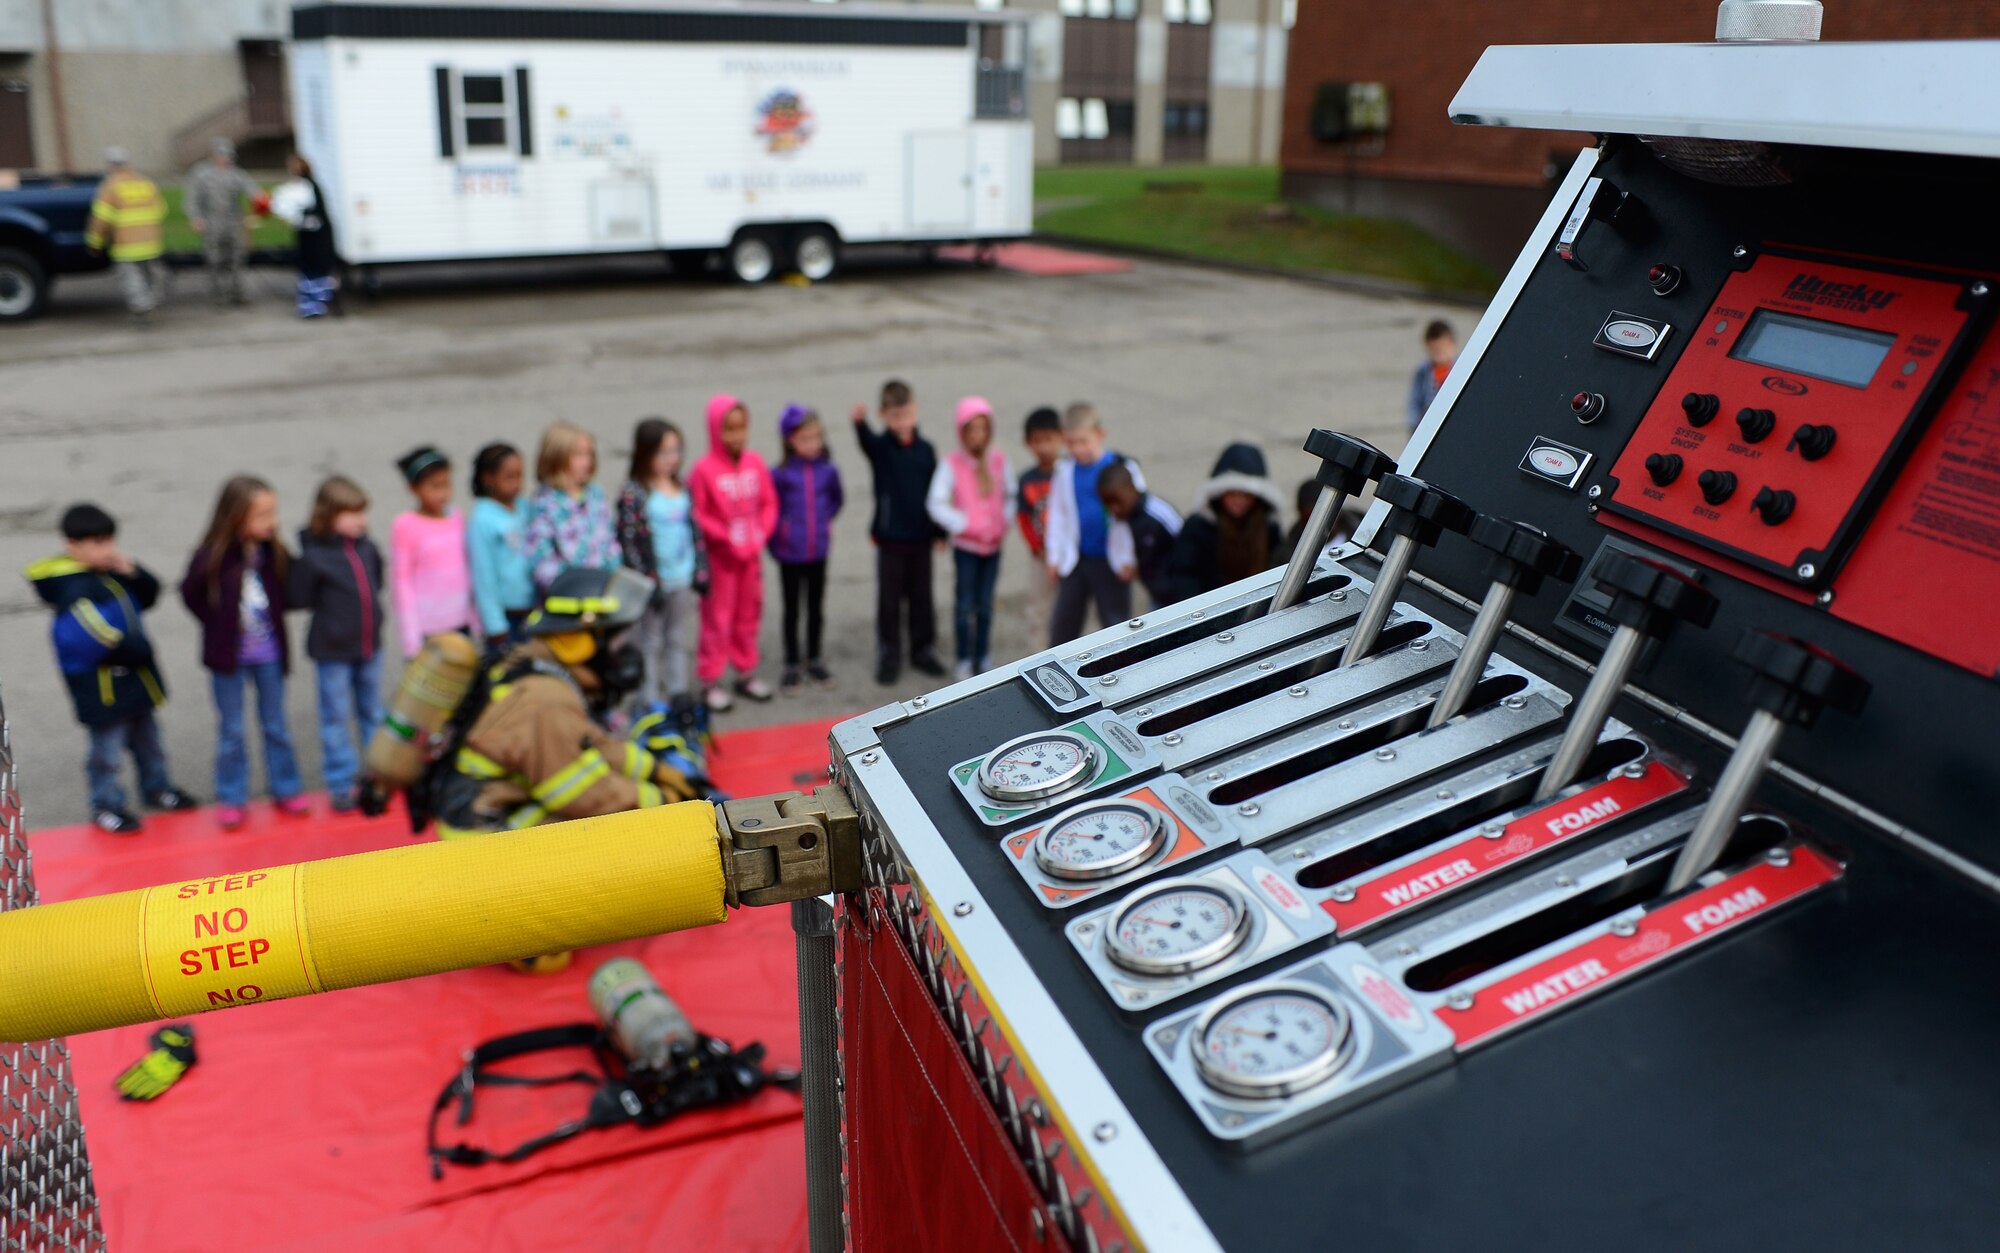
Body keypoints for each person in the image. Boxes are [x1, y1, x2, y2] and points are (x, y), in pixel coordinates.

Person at [427, 566, 702, 838]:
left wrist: (656, 770)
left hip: (485, 802)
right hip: (483, 837)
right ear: (579, 641)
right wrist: (663, 800)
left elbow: (588, 741)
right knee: (616, 836)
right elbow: (585, 794)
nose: (623, 653)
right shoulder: (546, 699)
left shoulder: (528, 664)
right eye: (616, 639)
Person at [25, 504, 196, 834]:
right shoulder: (73, 589)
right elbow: (89, 637)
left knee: (150, 743)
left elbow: (148, 595)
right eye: (97, 543)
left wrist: (132, 570)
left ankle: (157, 787)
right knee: (107, 753)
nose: (108, 550)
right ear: (73, 546)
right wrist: (137, 651)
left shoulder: (110, 575)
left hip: (135, 681)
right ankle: (105, 805)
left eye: (109, 541)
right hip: (102, 688)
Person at [182, 475, 306, 830]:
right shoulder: (213, 557)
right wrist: (217, 624)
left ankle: (286, 786)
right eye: (263, 515)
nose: (273, 522)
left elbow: (292, 591)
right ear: (236, 517)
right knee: (232, 731)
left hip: (268, 655)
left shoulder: (272, 553)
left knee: (276, 725)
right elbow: (191, 594)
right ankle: (232, 796)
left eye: (273, 512)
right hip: (229, 661)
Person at [287, 476, 385, 813]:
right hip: (333, 653)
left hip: (370, 647)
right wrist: (301, 560)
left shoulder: (368, 548)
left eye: (363, 512)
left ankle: (379, 776)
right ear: (329, 516)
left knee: (373, 712)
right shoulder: (315, 558)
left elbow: (378, 581)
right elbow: (298, 597)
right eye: (352, 513)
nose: (362, 520)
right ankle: (342, 782)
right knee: (336, 717)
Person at [851, 379, 945, 685]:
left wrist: (940, 532)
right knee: (889, 602)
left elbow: (937, 495)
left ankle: (923, 651)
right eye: (894, 417)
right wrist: (859, 424)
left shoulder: (927, 450)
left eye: (906, 415)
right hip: (891, 539)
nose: (902, 422)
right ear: (884, 415)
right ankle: (889, 655)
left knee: (922, 599)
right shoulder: (881, 448)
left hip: (921, 539)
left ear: (915, 411)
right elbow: (866, 443)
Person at [689, 394, 778, 710]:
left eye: (741, 429)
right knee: (717, 619)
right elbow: (698, 513)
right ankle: (710, 679)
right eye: (729, 429)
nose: (737, 436)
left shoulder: (755, 463)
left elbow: (769, 503)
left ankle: (745, 671)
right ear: (714, 430)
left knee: (748, 614)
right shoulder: (703, 470)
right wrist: (725, 537)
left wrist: (761, 534)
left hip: (750, 559)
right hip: (721, 562)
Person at [616, 417, 706, 707]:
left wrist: (701, 568)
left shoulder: (681, 488)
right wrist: (645, 581)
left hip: (681, 578)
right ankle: (649, 698)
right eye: (663, 452)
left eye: (676, 450)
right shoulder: (635, 494)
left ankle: (678, 691)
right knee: (648, 642)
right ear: (645, 454)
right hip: (654, 584)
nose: (672, 459)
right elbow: (629, 543)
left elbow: (694, 531)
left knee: (677, 637)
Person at [1044, 403, 1146, 646]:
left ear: (1101, 434)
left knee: (1115, 624)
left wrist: (1132, 558)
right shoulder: (1065, 471)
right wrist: (1054, 556)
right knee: (1063, 623)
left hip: (1112, 563)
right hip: (1077, 560)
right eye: (1070, 443)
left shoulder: (1124, 468)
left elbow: (1138, 515)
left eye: (1083, 441)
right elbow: (1057, 513)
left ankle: (1120, 669)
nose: (1077, 449)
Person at [927, 396, 1014, 679]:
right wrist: (963, 523)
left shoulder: (999, 460)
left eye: (983, 428)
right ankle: (963, 657)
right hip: (966, 548)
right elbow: (935, 502)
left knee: (986, 604)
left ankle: (983, 654)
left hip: (993, 547)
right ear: (961, 431)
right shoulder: (952, 464)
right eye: (971, 429)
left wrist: (1004, 521)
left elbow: (1011, 495)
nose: (977, 435)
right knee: (965, 603)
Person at [768, 405, 843, 694]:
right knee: (791, 609)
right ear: (790, 440)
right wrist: (778, 541)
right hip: (790, 553)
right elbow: (771, 511)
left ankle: (814, 658)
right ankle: (791, 663)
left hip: (818, 552)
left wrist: (823, 524)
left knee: (815, 607)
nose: (813, 444)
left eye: (816, 437)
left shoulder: (828, 470)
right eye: (805, 438)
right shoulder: (781, 474)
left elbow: (837, 500)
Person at [1166, 443, 1289, 603]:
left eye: (1246, 494)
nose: (1239, 501)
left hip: (1256, 606)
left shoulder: (1268, 527)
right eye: (1232, 493)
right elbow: (1183, 573)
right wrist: (1196, 610)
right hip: (1209, 608)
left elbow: (1278, 568)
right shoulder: (1198, 525)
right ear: (1219, 493)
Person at [390, 446, 472, 659]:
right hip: (428, 631)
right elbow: (402, 584)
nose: (444, 493)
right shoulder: (405, 526)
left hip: (461, 624)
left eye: (447, 485)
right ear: (413, 488)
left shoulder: (456, 518)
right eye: (435, 486)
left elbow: (468, 570)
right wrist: (411, 642)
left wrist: (476, 619)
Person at [524, 420, 621, 594]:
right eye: (579, 455)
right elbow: (540, 553)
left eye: (590, 454)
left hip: (602, 587)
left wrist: (613, 571)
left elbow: (609, 540)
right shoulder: (545, 501)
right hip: (565, 595)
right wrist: (564, 583)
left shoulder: (595, 494)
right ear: (556, 457)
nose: (587, 462)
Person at [84, 147, 167, 324]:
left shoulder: (110, 187)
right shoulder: (146, 183)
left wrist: (95, 243)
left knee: (133, 279)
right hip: (150, 243)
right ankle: (151, 301)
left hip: (126, 245)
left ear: (110, 166)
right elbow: (161, 211)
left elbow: (101, 220)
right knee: (149, 277)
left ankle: (142, 310)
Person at [467, 442, 536, 644]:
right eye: (509, 477)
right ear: (487, 478)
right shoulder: (482, 519)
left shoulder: (524, 506)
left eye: (520, 475)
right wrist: (495, 625)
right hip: (507, 618)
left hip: (532, 610)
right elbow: (484, 576)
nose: (518, 483)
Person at [183, 138, 260, 307]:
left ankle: (237, 293)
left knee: (236, 258)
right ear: (214, 156)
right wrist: (196, 218)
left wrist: (259, 204)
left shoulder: (236, 174)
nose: (226, 159)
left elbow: (253, 191)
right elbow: (192, 198)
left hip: (233, 221)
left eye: (229, 156)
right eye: (222, 155)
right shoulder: (201, 174)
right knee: (215, 259)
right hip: (212, 221)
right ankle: (219, 295)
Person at [1097, 461, 1181, 609]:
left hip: (1181, 594)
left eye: (1117, 501)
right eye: (1107, 504)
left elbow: (1187, 545)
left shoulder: (1158, 514)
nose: (1113, 509)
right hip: (1156, 594)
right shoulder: (1119, 521)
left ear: (1133, 489)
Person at [268, 153, 340, 319]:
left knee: (317, 269)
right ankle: (309, 305)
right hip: (306, 236)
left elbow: (313, 212)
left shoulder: (309, 186)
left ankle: (316, 305)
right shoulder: (299, 186)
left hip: (317, 237)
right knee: (307, 269)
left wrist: (296, 213)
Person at [1015, 406, 1063, 641]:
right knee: (1038, 611)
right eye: (1037, 441)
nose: (1043, 447)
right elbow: (1023, 518)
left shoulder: (1068, 473)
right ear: (1028, 443)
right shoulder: (1026, 480)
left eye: (1049, 439)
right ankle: (1038, 659)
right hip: (1040, 557)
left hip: (1069, 556)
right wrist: (1037, 546)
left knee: (1069, 609)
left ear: (1061, 438)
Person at [1409, 319, 1458, 429]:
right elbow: (1415, 401)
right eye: (1435, 349)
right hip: (1427, 425)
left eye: (1442, 348)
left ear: (1452, 345)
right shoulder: (1422, 372)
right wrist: (1414, 425)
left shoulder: (1460, 371)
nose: (1439, 353)